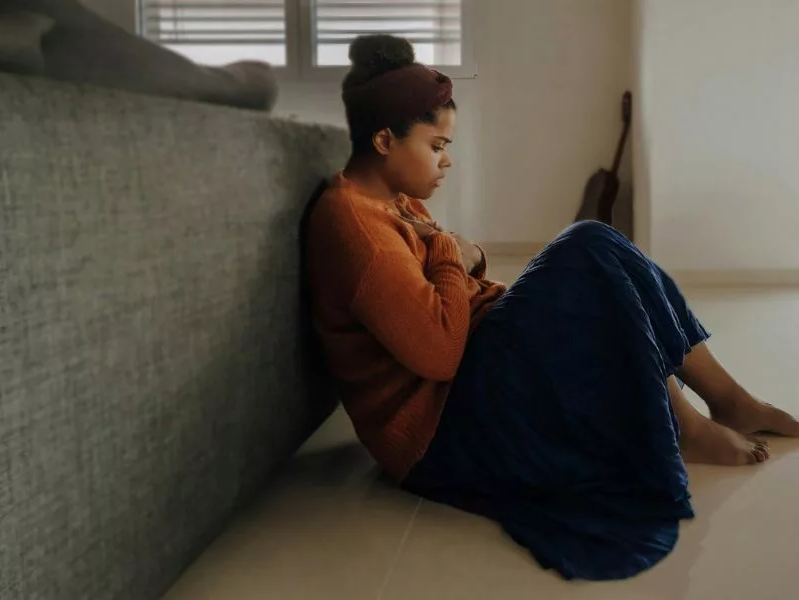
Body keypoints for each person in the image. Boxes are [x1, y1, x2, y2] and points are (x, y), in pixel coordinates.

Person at [303, 34, 799, 581]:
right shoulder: (357, 228)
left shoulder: (391, 198)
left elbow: (456, 275)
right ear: (383, 140)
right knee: (588, 250)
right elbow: (440, 352)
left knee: (597, 247)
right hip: (440, 430)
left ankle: (727, 399)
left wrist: (462, 256)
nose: (447, 161)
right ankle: (681, 427)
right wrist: (450, 250)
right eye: (437, 145)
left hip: (470, 369)